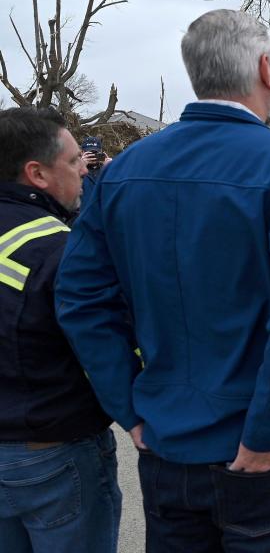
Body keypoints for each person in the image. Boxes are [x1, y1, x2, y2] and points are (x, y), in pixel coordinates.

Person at [55, 9, 270, 552]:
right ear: (266, 70)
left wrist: (131, 409)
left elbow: (80, 299)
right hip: (267, 456)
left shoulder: (122, 174)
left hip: (169, 448)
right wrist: (265, 434)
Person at [0, 107, 120, 553]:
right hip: (52, 454)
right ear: (38, 173)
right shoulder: (60, 250)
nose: (83, 174)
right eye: (73, 163)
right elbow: (105, 345)